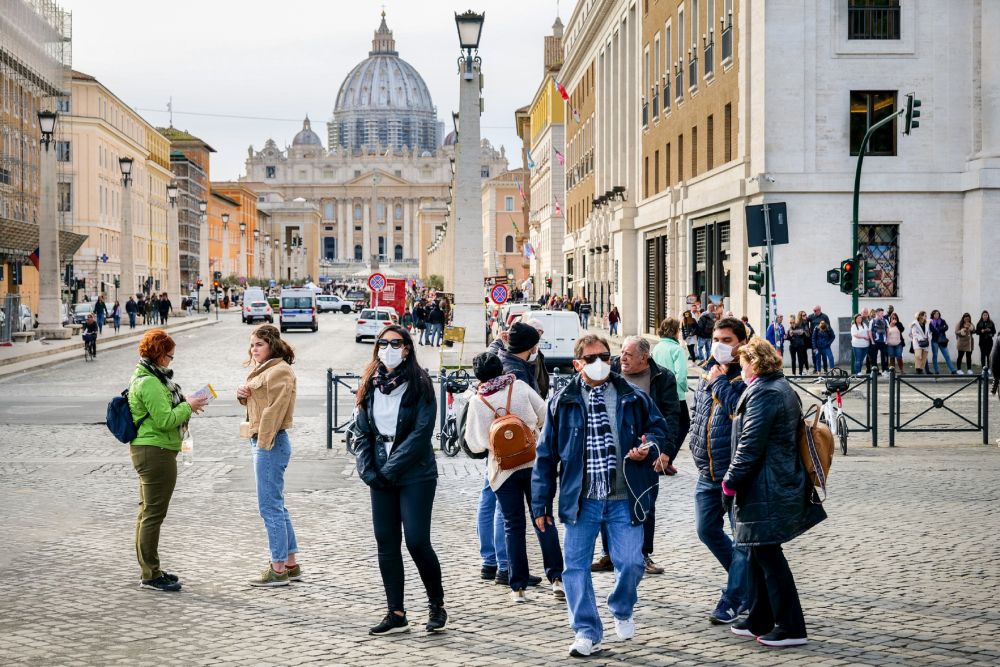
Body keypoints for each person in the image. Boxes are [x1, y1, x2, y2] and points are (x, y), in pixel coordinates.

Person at [532, 334, 667, 657]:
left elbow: (659, 430)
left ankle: (621, 606)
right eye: (591, 358)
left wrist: (647, 447)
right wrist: (540, 503)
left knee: (632, 563)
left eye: (604, 357)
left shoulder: (632, 396)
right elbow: (546, 456)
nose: (599, 363)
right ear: (577, 363)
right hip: (582, 501)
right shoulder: (562, 402)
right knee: (575, 568)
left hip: (625, 497)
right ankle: (586, 632)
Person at [724, 338, 826, 647]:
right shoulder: (774, 386)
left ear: (754, 364)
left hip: (765, 483)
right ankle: (761, 618)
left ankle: (791, 626)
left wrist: (730, 482)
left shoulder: (766, 392)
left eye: (743, 364)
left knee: (768, 554)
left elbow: (750, 445)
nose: (740, 369)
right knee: (758, 551)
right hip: (767, 481)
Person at [354, 325, 447, 635]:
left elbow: (421, 435)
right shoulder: (369, 382)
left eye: (396, 343)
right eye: (383, 343)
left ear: (407, 348)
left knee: (417, 541)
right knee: (386, 541)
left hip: (416, 472)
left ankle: (436, 604)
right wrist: (369, 470)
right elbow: (362, 431)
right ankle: (396, 612)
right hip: (380, 471)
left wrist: (389, 470)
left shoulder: (420, 384)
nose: (388, 348)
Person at [464, 352, 564, 603]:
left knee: (512, 525)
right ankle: (557, 579)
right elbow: (545, 415)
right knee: (543, 519)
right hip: (534, 464)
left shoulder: (478, 401)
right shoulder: (518, 386)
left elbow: (474, 444)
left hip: (502, 470)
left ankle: (518, 587)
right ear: (501, 369)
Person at [127, 328, 209, 592]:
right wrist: (188, 406)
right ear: (159, 354)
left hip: (154, 449)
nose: (171, 360)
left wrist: (186, 402)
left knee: (148, 513)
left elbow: (163, 410)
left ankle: (151, 569)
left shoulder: (151, 376)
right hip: (155, 451)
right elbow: (164, 420)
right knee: (153, 515)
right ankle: (150, 575)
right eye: (170, 356)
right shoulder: (149, 382)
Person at [592, 335, 680, 576]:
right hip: (612, 449)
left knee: (645, 502)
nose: (623, 358)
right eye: (622, 352)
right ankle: (609, 553)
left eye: (629, 355)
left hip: (647, 450)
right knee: (607, 499)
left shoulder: (662, 377)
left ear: (644, 357)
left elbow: (672, 417)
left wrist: (665, 452)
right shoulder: (611, 370)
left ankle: (643, 554)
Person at [688, 317, 749, 625]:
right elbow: (698, 412)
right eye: (716, 339)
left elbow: (739, 410)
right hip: (707, 470)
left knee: (743, 539)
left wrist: (719, 383)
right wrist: (694, 443)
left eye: (727, 340)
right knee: (706, 529)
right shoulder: (708, 370)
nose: (720, 345)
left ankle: (735, 597)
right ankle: (746, 583)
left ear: (741, 343)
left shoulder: (747, 375)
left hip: (736, 472)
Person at [236, 325, 299, 587]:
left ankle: (278, 569)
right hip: (265, 440)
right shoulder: (265, 369)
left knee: (269, 507)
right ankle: (291, 565)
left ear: (271, 345)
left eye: (259, 344)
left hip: (270, 441)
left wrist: (263, 445)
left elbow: (275, 410)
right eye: (252, 345)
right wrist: (243, 396)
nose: (254, 349)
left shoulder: (279, 370)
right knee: (276, 504)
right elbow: (260, 402)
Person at [652, 317, 692, 436]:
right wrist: (684, 388)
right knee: (684, 424)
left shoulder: (657, 348)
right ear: (675, 331)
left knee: (665, 425)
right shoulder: (677, 349)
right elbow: (681, 375)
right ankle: (670, 448)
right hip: (676, 394)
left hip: (659, 392)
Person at [490, 321, 542, 395]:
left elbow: (491, 351)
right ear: (530, 347)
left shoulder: (500, 358)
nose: (537, 348)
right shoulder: (518, 374)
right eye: (536, 344)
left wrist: (499, 340)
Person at [929, 310, 958, 375]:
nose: (937, 315)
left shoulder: (942, 321)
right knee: (935, 356)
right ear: (933, 315)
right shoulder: (931, 322)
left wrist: (938, 328)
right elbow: (932, 330)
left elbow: (946, 327)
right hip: (935, 341)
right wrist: (941, 328)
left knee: (947, 355)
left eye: (938, 314)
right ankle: (936, 371)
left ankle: (953, 370)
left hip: (942, 340)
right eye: (935, 314)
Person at [807, 306, 831, 371]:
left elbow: (828, 327)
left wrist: (828, 340)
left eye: (815, 311)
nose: (814, 312)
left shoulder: (825, 317)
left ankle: (825, 369)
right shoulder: (811, 316)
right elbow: (805, 322)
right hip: (814, 338)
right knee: (814, 354)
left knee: (824, 355)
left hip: (823, 338)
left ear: (819, 310)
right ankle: (816, 368)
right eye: (813, 310)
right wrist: (808, 330)